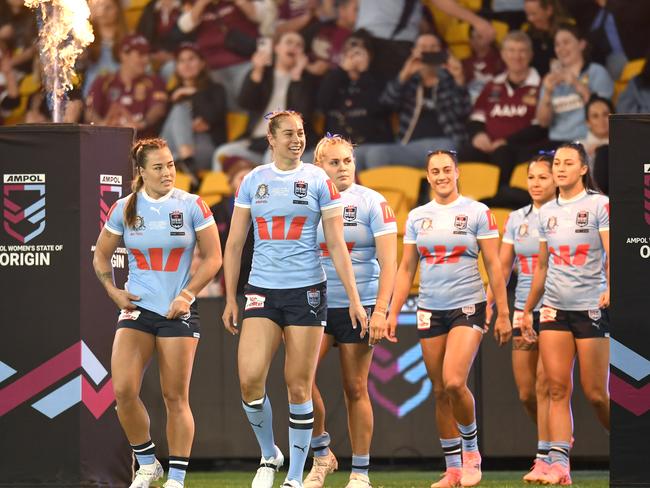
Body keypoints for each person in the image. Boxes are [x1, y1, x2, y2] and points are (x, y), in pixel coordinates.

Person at [222, 110, 367, 488]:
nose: (296, 140)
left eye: (300, 133)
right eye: (288, 134)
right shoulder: (254, 181)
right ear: (271, 139)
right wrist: (230, 297)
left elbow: (336, 243)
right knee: (250, 382)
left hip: (307, 292)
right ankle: (269, 454)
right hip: (262, 291)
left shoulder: (318, 179)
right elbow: (235, 243)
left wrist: (353, 298)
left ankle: (295, 477)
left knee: (297, 386)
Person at [92, 137, 222, 488]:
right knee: (122, 392)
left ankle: (177, 478)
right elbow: (100, 256)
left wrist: (187, 294)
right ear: (141, 172)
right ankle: (148, 463)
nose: (168, 173)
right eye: (159, 167)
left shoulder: (193, 205)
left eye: (171, 165)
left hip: (178, 312)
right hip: (138, 311)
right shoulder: (124, 208)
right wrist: (113, 291)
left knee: (175, 397)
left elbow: (214, 258)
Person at [387, 149, 512, 488]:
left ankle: (472, 453)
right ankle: (453, 469)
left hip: (467, 306)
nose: (441, 176)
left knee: (455, 381)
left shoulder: (477, 212)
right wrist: (393, 313)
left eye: (446, 169)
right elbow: (406, 268)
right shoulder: (417, 216)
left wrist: (501, 313)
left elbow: (495, 266)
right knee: (441, 390)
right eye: (435, 171)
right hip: (429, 309)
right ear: (428, 177)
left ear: (457, 172)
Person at [304, 134, 397, 488]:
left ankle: (360, 473)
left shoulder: (373, 202)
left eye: (347, 161)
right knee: (299, 381)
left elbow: (390, 263)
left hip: (363, 304)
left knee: (355, 387)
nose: (343, 168)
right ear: (319, 167)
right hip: (316, 304)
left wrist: (381, 311)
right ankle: (322, 453)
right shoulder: (310, 204)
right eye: (334, 162)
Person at [521, 141, 610, 485]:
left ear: (583, 169)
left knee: (596, 394)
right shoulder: (546, 212)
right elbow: (542, 266)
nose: (559, 168)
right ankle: (559, 465)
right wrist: (528, 310)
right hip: (554, 308)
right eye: (556, 163)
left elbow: (612, 251)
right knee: (556, 387)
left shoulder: (600, 205)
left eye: (567, 163)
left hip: (591, 306)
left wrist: (610, 287)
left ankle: (633, 443)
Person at [486, 152, 557, 483]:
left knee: (546, 382)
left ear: (557, 179)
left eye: (543, 176)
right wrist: (491, 303)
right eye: (531, 177)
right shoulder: (517, 218)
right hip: (521, 312)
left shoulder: (565, 216)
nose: (536, 183)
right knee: (527, 392)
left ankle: (546, 454)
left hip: (556, 306)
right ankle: (555, 438)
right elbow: (502, 266)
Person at [361, 34, 471, 169]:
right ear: (414, 52)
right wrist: (404, 75)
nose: (428, 51)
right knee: (357, 154)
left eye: (433, 47)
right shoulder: (409, 81)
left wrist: (459, 79)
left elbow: (463, 112)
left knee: (377, 154)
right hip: (408, 146)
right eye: (423, 47)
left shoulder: (449, 80)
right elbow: (386, 104)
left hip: (445, 143)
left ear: (442, 52)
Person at [214, 31, 317, 168]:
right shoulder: (263, 74)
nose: (293, 47)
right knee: (222, 153)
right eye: (289, 42)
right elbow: (245, 103)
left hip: (286, 142)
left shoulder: (306, 80)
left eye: (299, 45)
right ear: (277, 48)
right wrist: (257, 71)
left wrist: (297, 77)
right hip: (256, 141)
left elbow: (304, 115)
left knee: (272, 156)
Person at [461, 30, 545, 190]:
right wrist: (479, 135)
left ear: (531, 54)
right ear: (503, 54)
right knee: (466, 153)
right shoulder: (493, 84)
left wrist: (506, 141)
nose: (516, 56)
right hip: (489, 146)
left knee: (503, 153)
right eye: (511, 51)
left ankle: (500, 202)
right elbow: (476, 118)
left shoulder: (541, 85)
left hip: (520, 149)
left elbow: (540, 127)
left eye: (522, 51)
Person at [317, 31, 394, 168]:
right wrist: (342, 70)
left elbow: (378, 108)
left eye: (361, 50)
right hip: (336, 147)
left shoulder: (378, 80)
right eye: (350, 48)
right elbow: (322, 105)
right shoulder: (333, 78)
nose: (355, 54)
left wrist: (364, 74)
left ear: (370, 56)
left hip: (371, 144)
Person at [536, 23, 613, 147]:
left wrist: (576, 83)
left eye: (566, 42)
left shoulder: (597, 72)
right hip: (557, 142)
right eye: (557, 44)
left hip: (589, 140)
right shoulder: (550, 79)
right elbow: (543, 122)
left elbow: (602, 113)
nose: (561, 48)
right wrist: (548, 94)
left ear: (581, 44)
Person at [160, 42, 227, 173]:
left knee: (180, 109)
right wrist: (188, 124)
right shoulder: (171, 94)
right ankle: (186, 161)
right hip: (171, 148)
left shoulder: (216, 90)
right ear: (177, 67)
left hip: (204, 146)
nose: (186, 64)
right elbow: (165, 129)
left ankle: (183, 161)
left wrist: (194, 93)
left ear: (202, 63)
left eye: (191, 59)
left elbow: (213, 116)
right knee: (180, 109)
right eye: (181, 61)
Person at [86, 34, 168, 138]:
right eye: (141, 54)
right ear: (123, 55)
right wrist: (102, 125)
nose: (146, 60)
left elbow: (158, 109)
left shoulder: (154, 81)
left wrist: (141, 124)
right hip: (106, 141)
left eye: (147, 55)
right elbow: (90, 111)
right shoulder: (103, 81)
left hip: (141, 144)